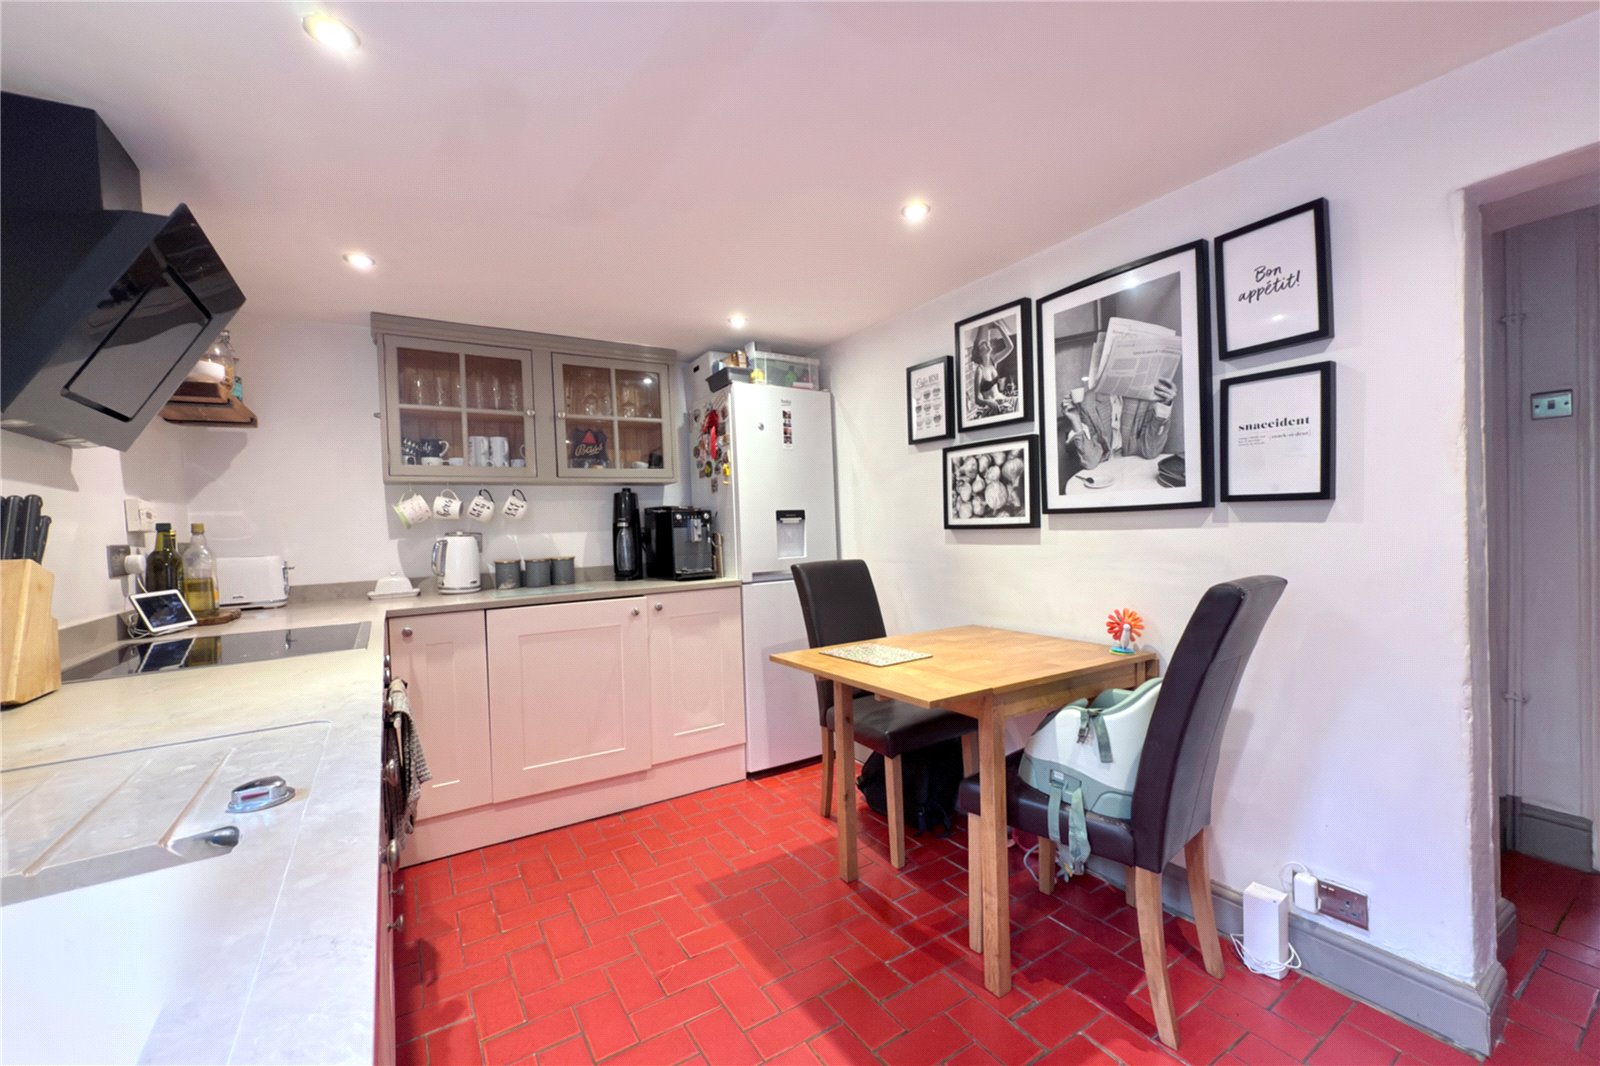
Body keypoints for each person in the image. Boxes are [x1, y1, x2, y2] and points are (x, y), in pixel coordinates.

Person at [970, 322, 1016, 417]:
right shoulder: (979, 370)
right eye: (982, 343)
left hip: (1002, 399)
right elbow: (977, 399)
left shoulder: (993, 361)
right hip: (993, 406)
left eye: (987, 341)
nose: (987, 342)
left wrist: (999, 327)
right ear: (979, 352)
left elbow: (1010, 346)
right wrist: (989, 402)